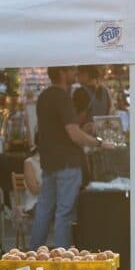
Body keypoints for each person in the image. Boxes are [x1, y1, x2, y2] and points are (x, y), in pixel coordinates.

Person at [30, 66, 115, 250]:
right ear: (61, 72)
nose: (75, 72)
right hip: (67, 162)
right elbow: (73, 133)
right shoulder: (63, 97)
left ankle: (33, 254)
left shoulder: (44, 97)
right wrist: (99, 142)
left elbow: (56, 129)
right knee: (64, 213)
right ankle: (63, 259)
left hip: (49, 162)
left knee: (44, 210)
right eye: (71, 70)